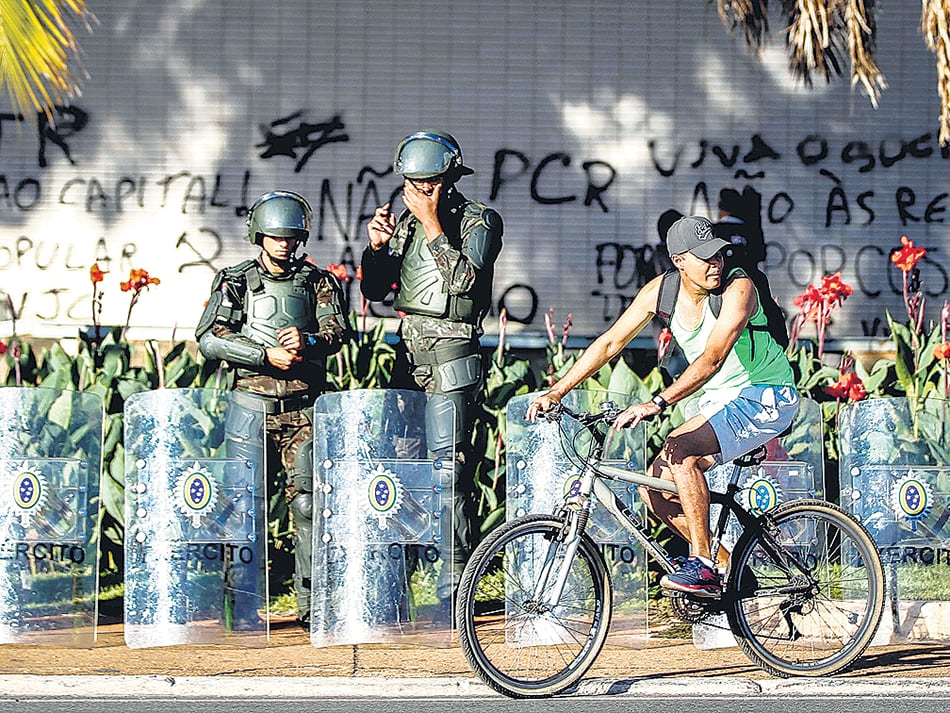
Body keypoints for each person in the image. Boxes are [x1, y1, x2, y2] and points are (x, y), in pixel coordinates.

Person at [527, 216, 798, 598]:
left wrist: (657, 402)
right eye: (704, 258)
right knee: (654, 491)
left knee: (680, 450)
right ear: (678, 260)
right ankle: (729, 568)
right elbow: (609, 343)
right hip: (718, 400)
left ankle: (702, 565)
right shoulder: (662, 292)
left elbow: (714, 357)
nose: (715, 264)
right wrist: (557, 391)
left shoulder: (740, 287)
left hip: (765, 395)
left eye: (718, 255)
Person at [360, 129, 503, 610]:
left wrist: (431, 223)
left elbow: (464, 282)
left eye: (429, 183)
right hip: (409, 357)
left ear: (448, 179)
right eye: (414, 184)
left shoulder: (479, 220)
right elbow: (378, 290)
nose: (420, 192)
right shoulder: (405, 223)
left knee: (448, 474)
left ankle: (453, 593)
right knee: (400, 471)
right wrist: (377, 248)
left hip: (452, 354)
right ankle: (396, 592)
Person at [196, 190, 349, 631]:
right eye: (274, 237)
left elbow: (339, 331)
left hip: (304, 407)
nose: (283, 245)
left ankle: (311, 605)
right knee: (244, 506)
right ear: (258, 235)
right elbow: (210, 337)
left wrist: (310, 342)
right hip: (251, 403)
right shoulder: (235, 280)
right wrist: (264, 356)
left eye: (290, 237)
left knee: (308, 507)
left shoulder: (319, 281)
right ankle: (240, 608)